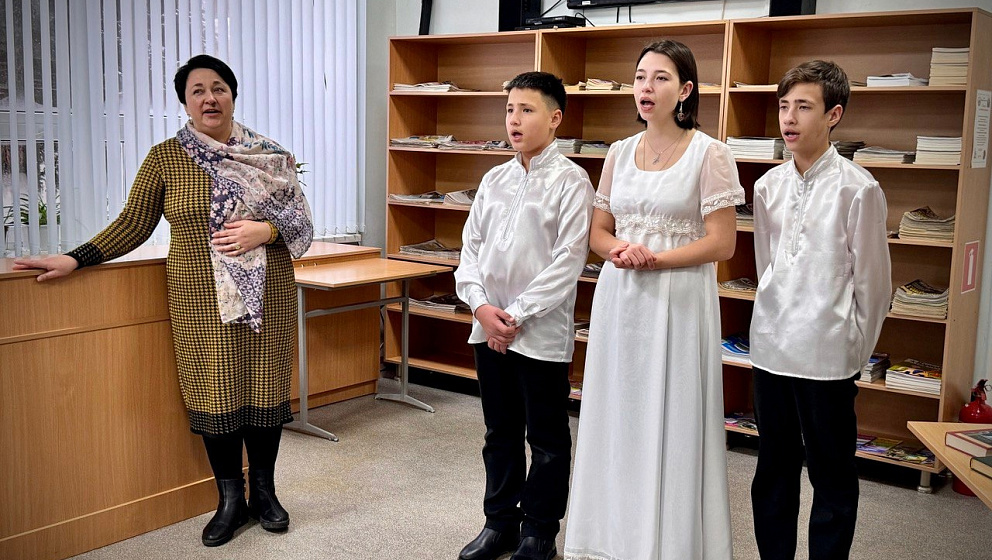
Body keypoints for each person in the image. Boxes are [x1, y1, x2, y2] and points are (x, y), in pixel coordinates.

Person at [13, 54, 313, 547]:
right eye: (198, 91)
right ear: (185, 103)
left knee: (264, 388)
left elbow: (301, 221)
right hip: (199, 301)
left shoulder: (271, 156)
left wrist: (267, 230)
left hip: (269, 294)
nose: (209, 98)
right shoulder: (165, 159)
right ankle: (230, 500)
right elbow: (133, 224)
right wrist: (74, 257)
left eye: (218, 88)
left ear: (232, 95)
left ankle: (266, 493)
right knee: (215, 391)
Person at [563, 39, 742, 560]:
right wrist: (619, 249)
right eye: (641, 76)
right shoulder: (619, 152)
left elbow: (723, 243)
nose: (646, 87)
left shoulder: (711, 153)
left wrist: (657, 259)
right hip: (621, 296)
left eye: (661, 78)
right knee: (618, 412)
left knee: (674, 416)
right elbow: (597, 232)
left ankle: (668, 544)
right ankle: (611, 540)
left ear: (685, 91)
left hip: (679, 299)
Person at [749, 60, 891, 560]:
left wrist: (853, 349)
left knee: (832, 474)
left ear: (833, 115)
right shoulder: (767, 186)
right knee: (773, 469)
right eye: (784, 106)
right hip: (770, 348)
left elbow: (874, 284)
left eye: (803, 107)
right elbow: (767, 266)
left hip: (828, 354)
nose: (789, 118)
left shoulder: (859, 188)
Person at [454, 71, 594, 560]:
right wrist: (480, 307)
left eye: (527, 110)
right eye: (509, 109)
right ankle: (499, 523)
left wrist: (513, 316)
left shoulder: (572, 181)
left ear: (555, 118)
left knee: (548, 439)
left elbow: (568, 262)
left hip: (540, 333)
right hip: (488, 327)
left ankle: (539, 532)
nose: (514, 120)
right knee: (500, 434)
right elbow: (469, 251)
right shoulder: (494, 178)